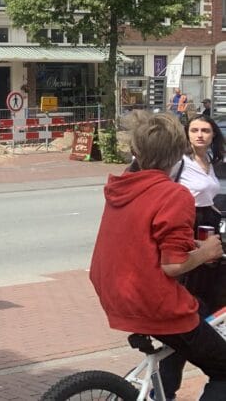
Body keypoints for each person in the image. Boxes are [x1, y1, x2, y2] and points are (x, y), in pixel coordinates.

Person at [90, 111, 226, 400]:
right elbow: (173, 265)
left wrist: (189, 245)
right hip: (153, 303)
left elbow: (142, 237)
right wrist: (207, 252)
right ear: (179, 153)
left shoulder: (121, 187)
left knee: (192, 325)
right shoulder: (174, 195)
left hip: (116, 295)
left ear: (135, 151)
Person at [160, 115, 226, 399]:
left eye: (206, 131)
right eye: (195, 130)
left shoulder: (212, 164)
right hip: (187, 232)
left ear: (214, 135)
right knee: (187, 321)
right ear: (186, 135)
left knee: (213, 311)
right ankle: (165, 391)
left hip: (209, 232)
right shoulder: (180, 163)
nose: (200, 135)